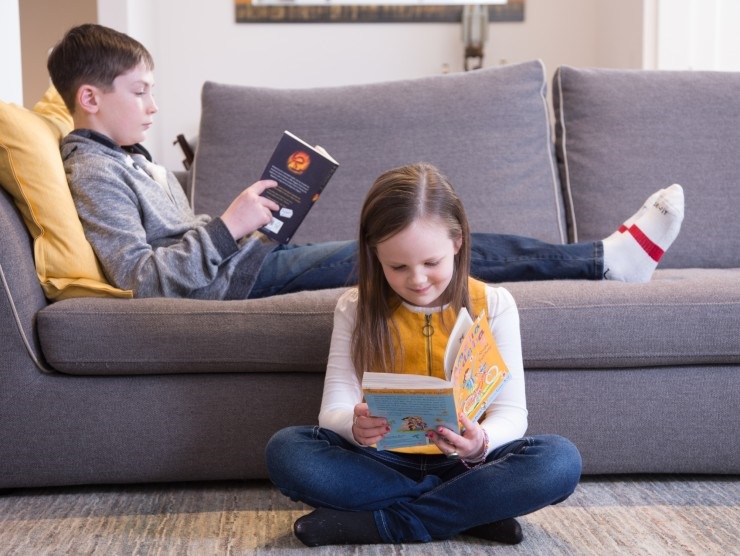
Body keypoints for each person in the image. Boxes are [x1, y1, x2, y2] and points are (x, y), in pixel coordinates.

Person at [47, 23, 684, 301]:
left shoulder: (125, 157)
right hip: (237, 281)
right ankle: (606, 261)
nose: (154, 106)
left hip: (246, 263)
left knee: (410, 241)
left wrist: (251, 220)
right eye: (140, 92)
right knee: (415, 248)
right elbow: (139, 278)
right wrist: (230, 226)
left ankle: (604, 259)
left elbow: (176, 249)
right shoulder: (94, 171)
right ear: (90, 97)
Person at [265, 163, 583, 546]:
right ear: (374, 254)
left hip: (466, 465)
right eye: (397, 267)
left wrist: (480, 441)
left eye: (431, 263)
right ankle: (469, 513)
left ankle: (385, 522)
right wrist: (353, 425)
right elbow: (333, 408)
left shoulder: (495, 303)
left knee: (559, 461)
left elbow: (512, 413)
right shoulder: (355, 307)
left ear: (458, 242)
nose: (417, 280)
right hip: (380, 463)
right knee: (286, 451)